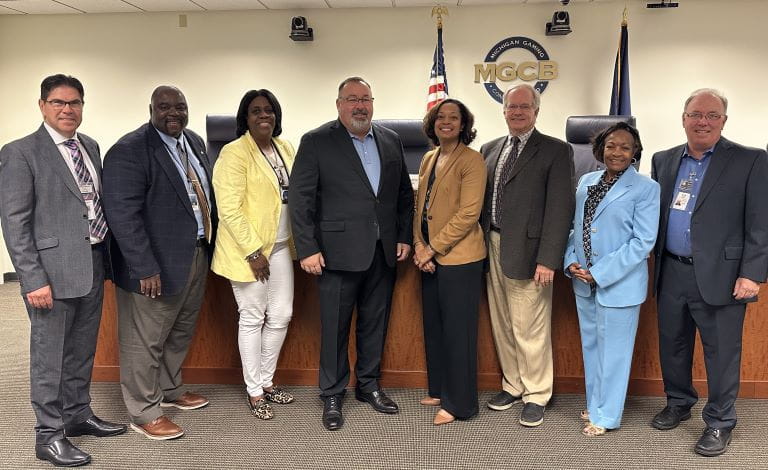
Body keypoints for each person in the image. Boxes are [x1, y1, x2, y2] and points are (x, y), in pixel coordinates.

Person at [0, 74, 126, 467]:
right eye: (58, 102)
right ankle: (48, 435)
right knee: (49, 356)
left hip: (92, 262)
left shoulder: (89, 145)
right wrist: (32, 279)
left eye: (74, 102)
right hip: (50, 275)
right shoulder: (20, 152)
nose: (67, 109)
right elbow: (14, 222)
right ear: (42, 106)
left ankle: (77, 414)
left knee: (82, 349)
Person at [289, 76, 414, 431]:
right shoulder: (316, 141)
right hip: (335, 253)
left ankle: (369, 385)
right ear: (339, 104)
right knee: (335, 327)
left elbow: (403, 195)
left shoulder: (390, 139)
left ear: (373, 103)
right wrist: (307, 248)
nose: (360, 106)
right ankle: (332, 393)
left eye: (365, 99)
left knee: (375, 323)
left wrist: (403, 235)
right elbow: (300, 199)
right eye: (352, 99)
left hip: (382, 251)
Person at [650, 88, 768, 456]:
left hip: (724, 275)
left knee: (722, 353)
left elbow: (760, 222)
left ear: (724, 121)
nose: (703, 121)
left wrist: (752, 273)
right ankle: (679, 402)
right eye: (696, 114)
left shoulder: (751, 160)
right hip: (671, 270)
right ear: (683, 119)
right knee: (673, 344)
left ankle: (720, 421)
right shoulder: (663, 160)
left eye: (712, 115)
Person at [102, 85, 217, 440]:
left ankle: (169, 388)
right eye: (164, 106)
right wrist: (144, 267)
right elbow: (122, 215)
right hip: (152, 265)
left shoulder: (193, 141)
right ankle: (144, 411)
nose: (173, 113)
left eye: (180, 106)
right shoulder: (130, 150)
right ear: (150, 108)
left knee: (180, 328)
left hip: (195, 251)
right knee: (144, 339)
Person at [480, 83, 574, 427]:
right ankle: (513, 384)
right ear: (503, 110)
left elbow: (561, 209)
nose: (517, 112)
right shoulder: (490, 149)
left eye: (524, 106)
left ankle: (536, 393)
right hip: (492, 243)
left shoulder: (555, 150)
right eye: (512, 106)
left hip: (531, 251)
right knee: (502, 321)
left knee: (529, 326)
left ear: (536, 111)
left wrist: (548, 259)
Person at [564, 122, 660, 436]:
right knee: (592, 347)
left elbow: (643, 242)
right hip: (582, 280)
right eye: (611, 146)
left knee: (614, 353)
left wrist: (599, 272)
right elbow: (576, 227)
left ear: (635, 152)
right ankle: (595, 404)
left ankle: (606, 416)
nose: (617, 152)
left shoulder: (646, 188)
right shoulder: (586, 181)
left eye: (625, 147)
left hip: (618, 283)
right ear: (600, 149)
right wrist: (571, 261)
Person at [211, 89, 296, 420]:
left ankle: (267, 380)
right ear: (245, 118)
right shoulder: (234, 153)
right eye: (256, 111)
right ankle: (255, 391)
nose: (264, 115)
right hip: (248, 252)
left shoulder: (284, 147)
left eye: (269, 110)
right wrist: (252, 252)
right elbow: (229, 209)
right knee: (252, 317)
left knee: (282, 315)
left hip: (281, 246)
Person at [412, 99, 486, 426]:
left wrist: (432, 249)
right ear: (432, 123)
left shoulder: (472, 160)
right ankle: (440, 389)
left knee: (458, 333)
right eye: (440, 117)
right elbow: (419, 206)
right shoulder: (429, 157)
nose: (446, 122)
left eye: (453, 117)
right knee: (435, 327)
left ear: (463, 125)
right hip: (429, 256)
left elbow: (468, 214)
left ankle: (461, 404)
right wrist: (419, 245)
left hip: (460, 259)